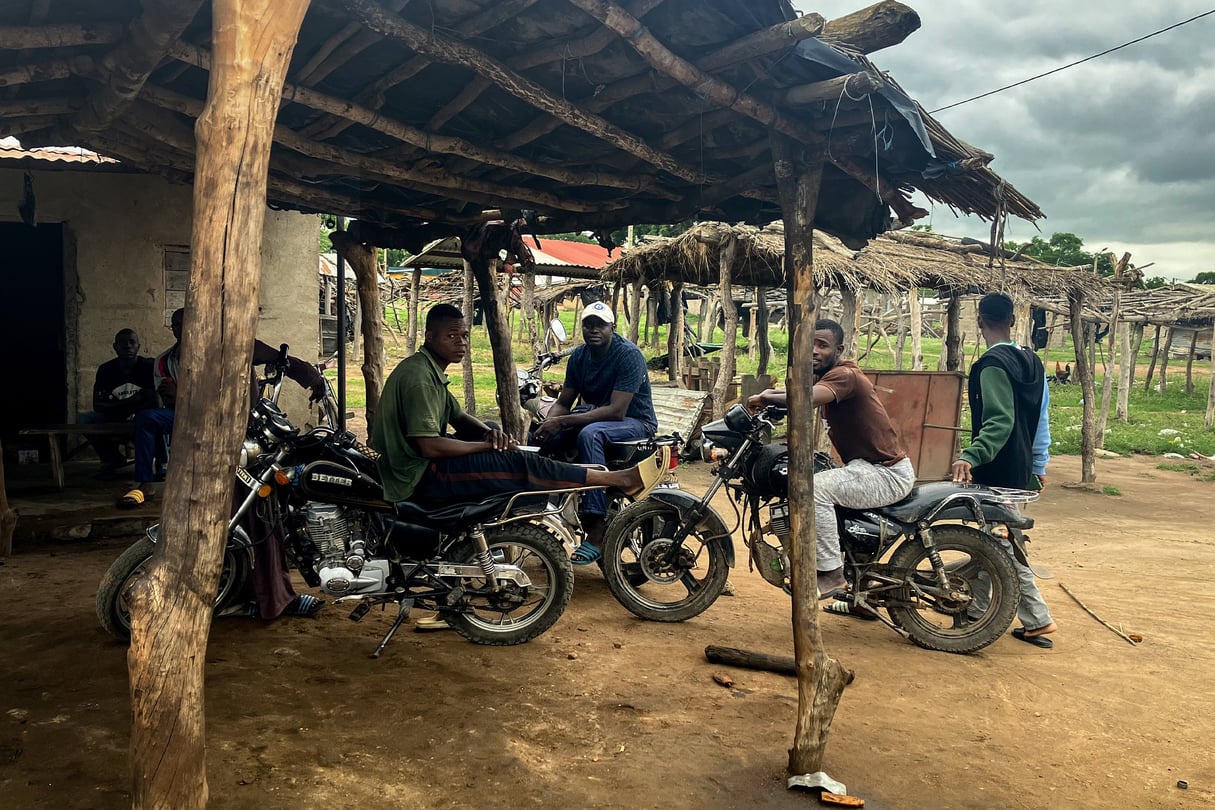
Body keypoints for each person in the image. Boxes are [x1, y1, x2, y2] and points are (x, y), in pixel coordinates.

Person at [746, 318, 915, 603]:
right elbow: (797, 394)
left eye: (822, 345)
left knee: (815, 489)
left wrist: (765, 396)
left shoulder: (844, 375)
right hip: (864, 468)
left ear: (839, 349)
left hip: (887, 474)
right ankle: (861, 594)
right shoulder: (825, 377)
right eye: (809, 344)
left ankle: (832, 574)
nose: (813, 350)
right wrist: (768, 398)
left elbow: (804, 398)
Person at [118, 307, 326, 508]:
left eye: (186, 323)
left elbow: (278, 358)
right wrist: (188, 396)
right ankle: (145, 483)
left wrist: (309, 375)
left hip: (227, 420)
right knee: (147, 418)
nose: (181, 329)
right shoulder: (165, 360)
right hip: (187, 416)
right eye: (176, 325)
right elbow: (171, 399)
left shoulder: (228, 347)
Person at [952, 292, 1057, 648]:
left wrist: (971, 456)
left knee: (1004, 544)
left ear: (979, 320)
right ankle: (980, 608)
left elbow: (999, 422)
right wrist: (1038, 464)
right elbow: (1040, 420)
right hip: (1020, 468)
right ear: (1013, 321)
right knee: (992, 537)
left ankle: (1038, 618)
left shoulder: (992, 365)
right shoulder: (1033, 361)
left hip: (996, 469)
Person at [531, 301, 658, 565]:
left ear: (613, 327)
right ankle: (534, 509)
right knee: (539, 440)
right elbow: (564, 402)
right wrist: (548, 424)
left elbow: (616, 411)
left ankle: (595, 525)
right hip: (597, 418)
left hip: (635, 422)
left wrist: (563, 421)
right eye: (588, 324)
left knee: (590, 434)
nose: (593, 330)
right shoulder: (579, 357)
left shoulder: (628, 355)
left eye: (600, 325)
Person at [76, 328, 157, 477]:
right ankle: (112, 458)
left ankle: (153, 464)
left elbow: (154, 401)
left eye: (132, 342)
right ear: (115, 347)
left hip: (140, 416)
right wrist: (131, 402)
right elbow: (98, 405)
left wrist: (121, 406)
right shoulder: (106, 370)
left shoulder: (148, 367)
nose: (127, 346)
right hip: (114, 416)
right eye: (122, 343)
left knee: (152, 418)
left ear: (138, 346)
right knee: (84, 419)